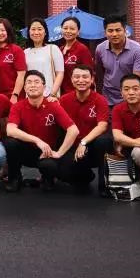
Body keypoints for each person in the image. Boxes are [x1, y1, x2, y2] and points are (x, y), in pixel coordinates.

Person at [4, 70, 79, 192]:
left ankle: (47, 178)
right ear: (24, 87)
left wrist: (59, 153)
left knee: (63, 172)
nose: (33, 85)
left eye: (36, 82)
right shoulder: (18, 106)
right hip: (27, 150)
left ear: (44, 87)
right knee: (10, 142)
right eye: (29, 82)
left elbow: (73, 130)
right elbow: (10, 130)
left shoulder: (53, 105)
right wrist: (37, 140)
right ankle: (15, 178)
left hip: (48, 152)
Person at [58, 64, 111, 194]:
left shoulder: (100, 100)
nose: (81, 80)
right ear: (71, 79)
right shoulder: (64, 100)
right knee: (63, 172)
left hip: (92, 145)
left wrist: (84, 142)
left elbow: (102, 126)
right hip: (72, 145)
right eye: (77, 77)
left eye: (85, 77)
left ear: (92, 79)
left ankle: (104, 185)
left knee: (103, 141)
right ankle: (86, 176)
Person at [95, 15, 140, 108]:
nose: (114, 34)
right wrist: (99, 97)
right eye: (110, 31)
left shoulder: (138, 50)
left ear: (125, 30)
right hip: (107, 99)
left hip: (129, 100)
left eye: (118, 30)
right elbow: (99, 76)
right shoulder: (100, 49)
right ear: (105, 32)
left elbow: (136, 80)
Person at [23, 18, 64, 100]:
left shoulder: (53, 48)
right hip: (31, 97)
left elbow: (60, 73)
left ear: (45, 32)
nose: (36, 32)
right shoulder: (25, 52)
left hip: (50, 97)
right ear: (29, 32)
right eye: (33, 29)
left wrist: (52, 94)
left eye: (39, 29)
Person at [0, 18, 26, 104]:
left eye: (3, 30)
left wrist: (15, 95)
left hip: (14, 97)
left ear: (8, 32)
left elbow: (21, 75)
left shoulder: (16, 50)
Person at [58, 17, 94, 95]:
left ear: (78, 32)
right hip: (61, 94)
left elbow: (89, 73)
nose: (68, 31)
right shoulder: (59, 50)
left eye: (72, 29)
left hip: (78, 94)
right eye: (65, 28)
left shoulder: (82, 49)